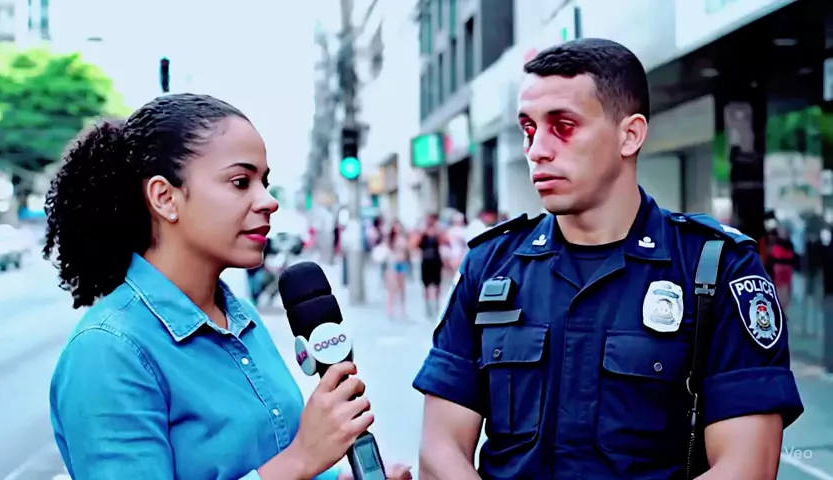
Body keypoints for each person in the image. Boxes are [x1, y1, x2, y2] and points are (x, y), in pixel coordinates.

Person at [412, 39, 803, 479]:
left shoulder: (715, 269)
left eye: (563, 126)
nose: (537, 149)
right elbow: (440, 450)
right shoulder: (490, 267)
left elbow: (747, 468)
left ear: (629, 134)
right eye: (529, 129)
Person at [43, 93, 411, 480]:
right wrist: (302, 459)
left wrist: (337, 478)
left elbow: (271, 456)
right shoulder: (108, 350)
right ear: (165, 198)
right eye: (240, 182)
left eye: (264, 182)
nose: (268, 201)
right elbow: (291, 462)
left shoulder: (242, 319)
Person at [415, 214, 444, 319]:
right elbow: (415, 244)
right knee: (426, 285)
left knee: (437, 284)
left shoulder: (438, 232)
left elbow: (445, 241)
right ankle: (428, 306)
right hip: (426, 260)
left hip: (436, 260)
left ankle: (436, 304)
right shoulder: (423, 233)